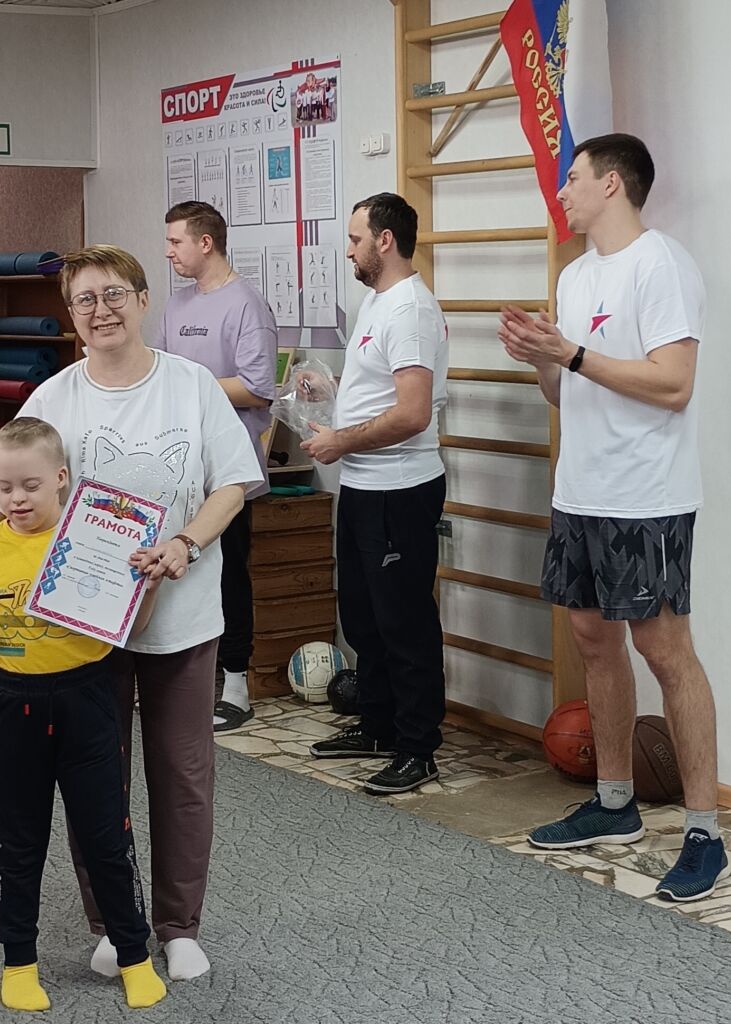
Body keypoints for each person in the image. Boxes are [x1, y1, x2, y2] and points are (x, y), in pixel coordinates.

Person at [0, 245, 262, 981]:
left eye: (115, 294)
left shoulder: (191, 385)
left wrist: (185, 542)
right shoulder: (53, 396)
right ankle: (115, 924)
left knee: (182, 775)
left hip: (180, 615)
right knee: (95, 782)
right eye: (85, 299)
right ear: (71, 315)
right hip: (78, 628)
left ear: (144, 300)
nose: (101, 310)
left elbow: (232, 486)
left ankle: (179, 926)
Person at [498, 133, 728, 902]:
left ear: (613, 185)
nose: (562, 190)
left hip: (647, 497)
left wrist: (570, 354)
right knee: (594, 642)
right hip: (581, 494)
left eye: (573, 177)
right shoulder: (574, 276)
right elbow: (567, 392)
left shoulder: (662, 264)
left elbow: (674, 384)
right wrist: (542, 357)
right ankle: (615, 802)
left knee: (666, 651)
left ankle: (705, 833)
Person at [0, 416, 166, 1012]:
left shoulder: (97, 540)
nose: (16, 499)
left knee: (106, 837)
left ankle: (134, 955)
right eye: (4, 487)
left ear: (61, 478)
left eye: (31, 486)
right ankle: (18, 962)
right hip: (12, 703)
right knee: (18, 841)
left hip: (87, 699)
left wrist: (148, 583)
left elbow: (129, 625)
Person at [303, 192, 449, 795]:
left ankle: (417, 749)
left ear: (385, 241)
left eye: (356, 239)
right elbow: (378, 388)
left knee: (404, 624)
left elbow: (413, 413)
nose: (349, 250)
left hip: (400, 488)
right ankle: (378, 726)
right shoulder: (377, 301)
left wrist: (342, 440)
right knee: (364, 620)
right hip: (364, 485)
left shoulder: (410, 310)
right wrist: (330, 390)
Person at [159, 201, 278, 732]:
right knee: (175, 569)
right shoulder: (176, 303)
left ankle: (236, 688)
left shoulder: (246, 305)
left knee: (229, 575)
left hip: (227, 468)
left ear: (205, 243)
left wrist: (191, 385)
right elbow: (159, 370)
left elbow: (256, 388)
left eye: (176, 242)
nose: (169, 252)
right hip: (177, 465)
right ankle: (178, 679)